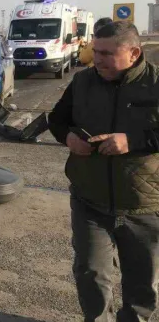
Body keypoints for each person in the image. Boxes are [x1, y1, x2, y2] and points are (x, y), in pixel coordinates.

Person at [48, 21, 159, 322]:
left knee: (141, 285)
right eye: (95, 51)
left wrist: (132, 141)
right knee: (90, 273)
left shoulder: (155, 82)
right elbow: (57, 120)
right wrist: (69, 138)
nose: (97, 59)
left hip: (145, 205)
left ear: (134, 53)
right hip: (89, 200)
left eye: (107, 53)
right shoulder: (83, 81)